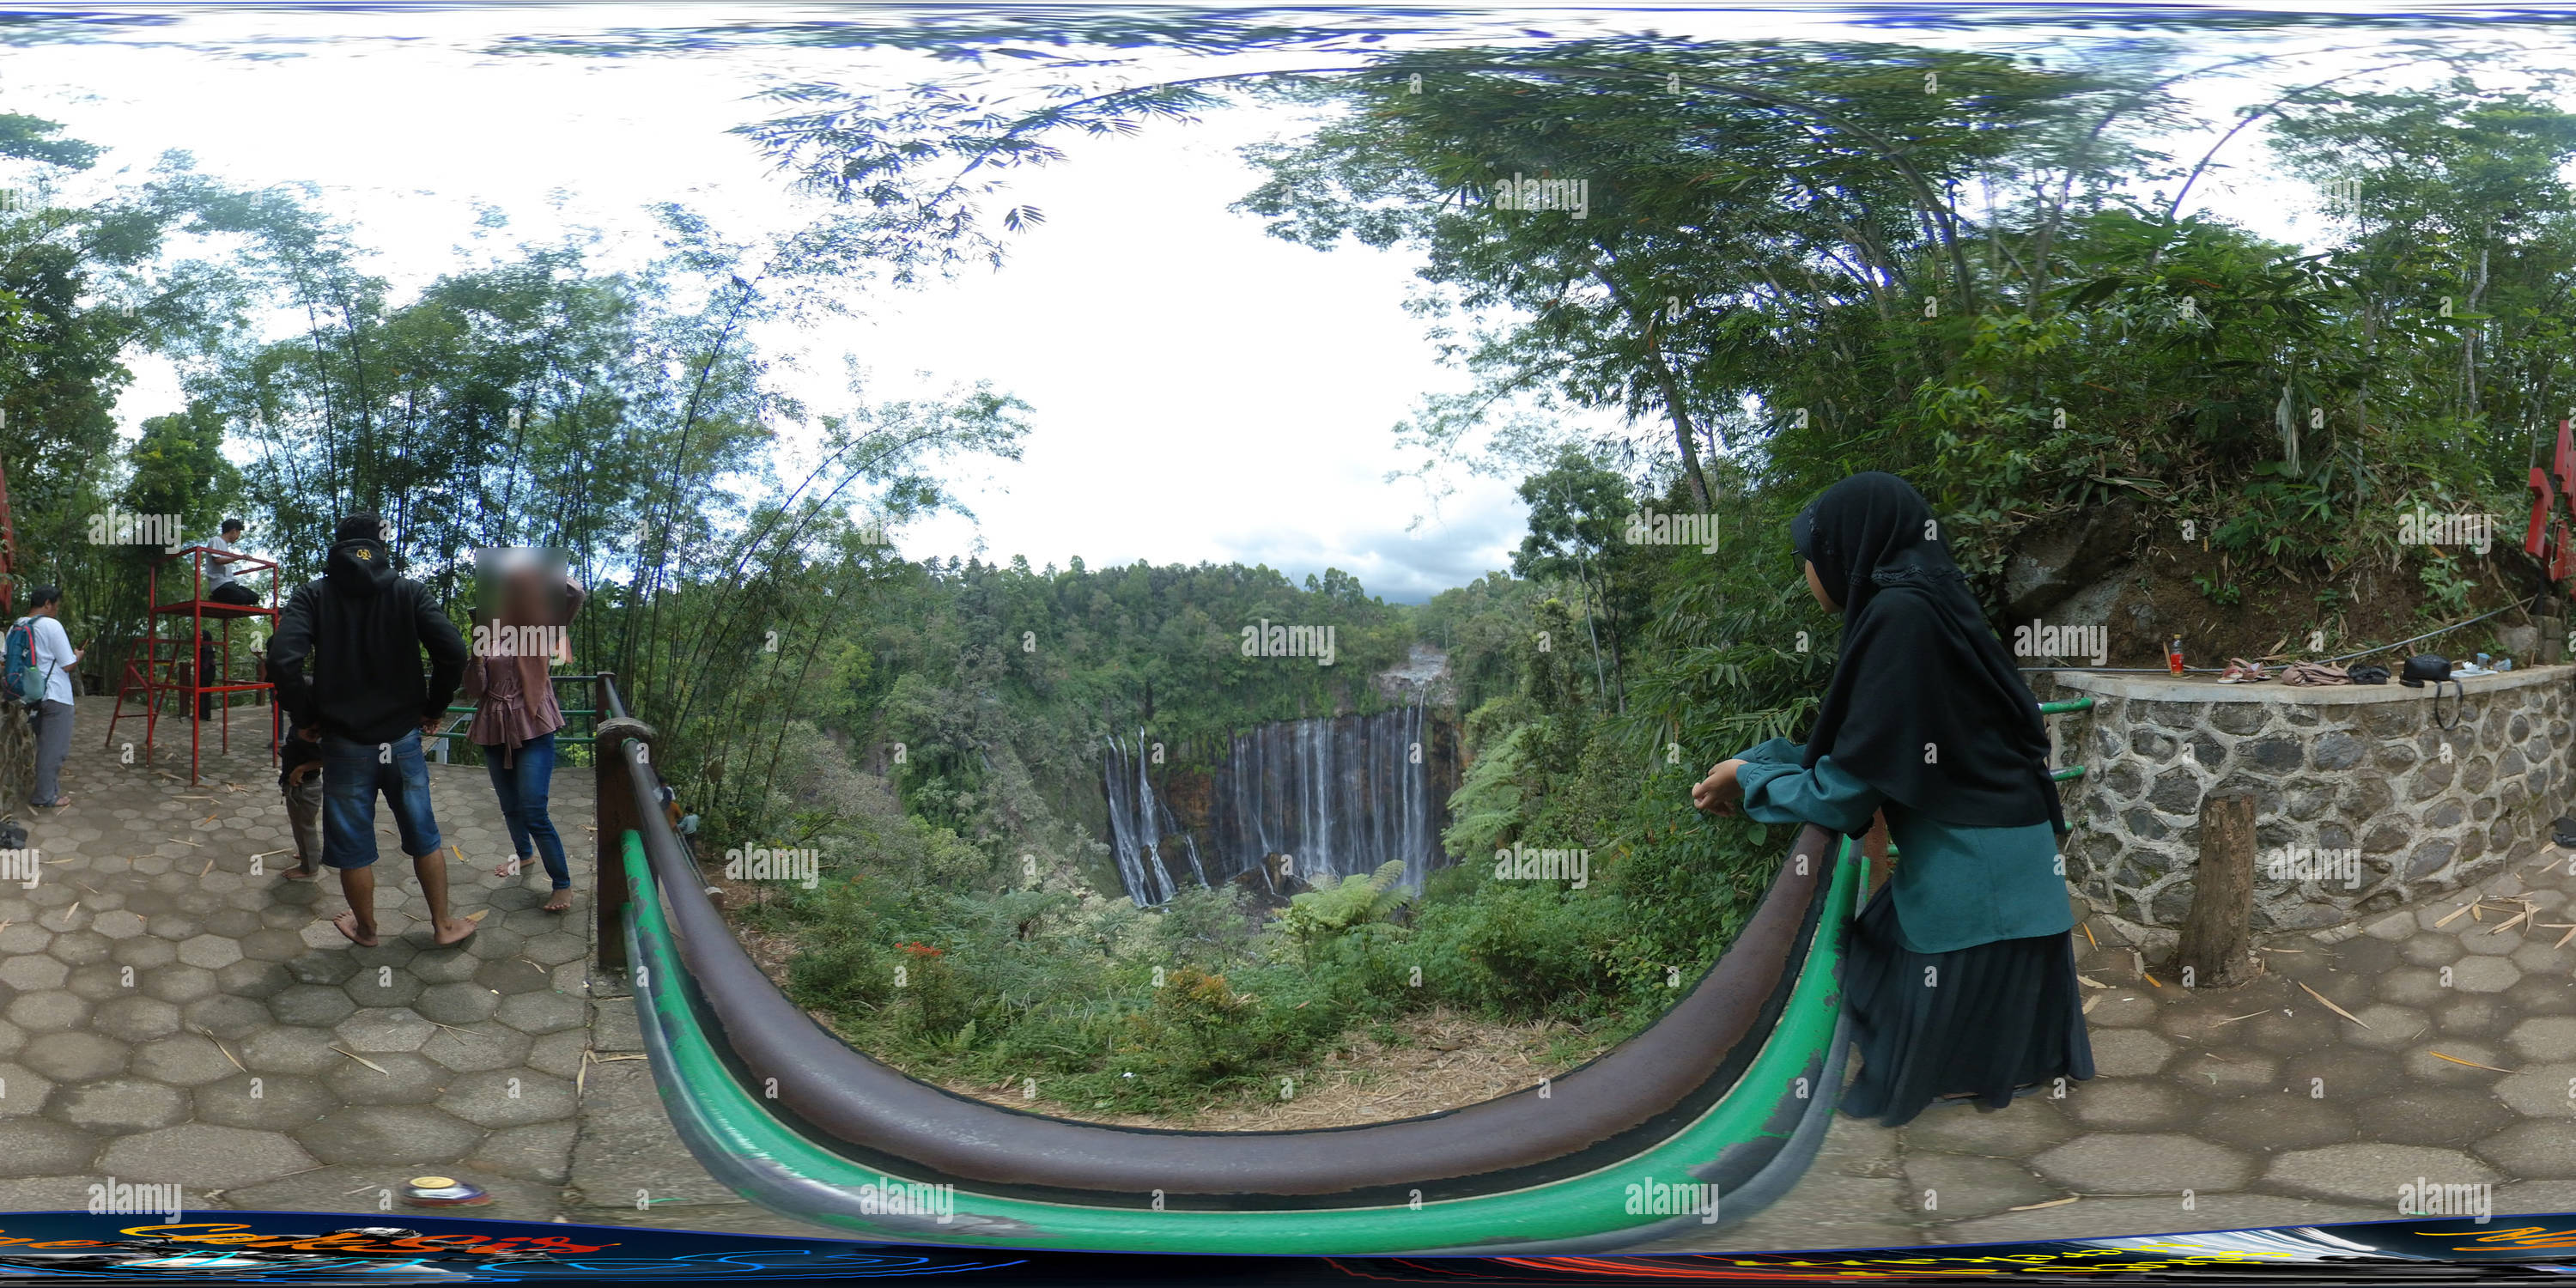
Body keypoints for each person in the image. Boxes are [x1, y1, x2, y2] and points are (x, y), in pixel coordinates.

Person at [1692, 471, 2092, 1126]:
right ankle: (1990, 1061)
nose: (1806, 573)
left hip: (1978, 877)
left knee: (1875, 978)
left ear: (1846, 548)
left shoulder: (1899, 617)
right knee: (1877, 949)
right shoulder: (1928, 601)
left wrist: (1748, 777)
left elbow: (1844, 794)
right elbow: (1873, 750)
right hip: (2014, 856)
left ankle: (1961, 1069)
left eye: (1808, 556)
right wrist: (1758, 761)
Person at [266, 513, 477, 948]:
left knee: (353, 845)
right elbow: (454, 651)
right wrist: (432, 707)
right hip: (402, 739)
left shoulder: (314, 595)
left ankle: (367, 930)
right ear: (382, 544)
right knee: (424, 833)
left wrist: (305, 719)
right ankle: (442, 926)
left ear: (337, 544)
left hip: (344, 744)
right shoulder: (409, 591)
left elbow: (283, 660)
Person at [463, 553, 585, 914]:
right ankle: (524, 855)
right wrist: (475, 656)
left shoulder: (540, 628)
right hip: (494, 726)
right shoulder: (486, 634)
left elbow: (575, 594)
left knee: (534, 809)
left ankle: (562, 883)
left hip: (534, 726)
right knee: (509, 805)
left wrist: (534, 571)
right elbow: (474, 689)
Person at [255, 647, 325, 880]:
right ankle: (308, 853)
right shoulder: (302, 719)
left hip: (306, 785)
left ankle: (309, 867)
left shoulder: (317, 727)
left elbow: (328, 757)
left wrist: (301, 769)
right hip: (295, 783)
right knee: (301, 826)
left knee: (304, 826)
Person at [21, 586, 80, 810]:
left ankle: (50, 790)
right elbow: (68, 664)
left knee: (45, 745)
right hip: (55, 695)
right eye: (56, 604)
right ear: (47, 603)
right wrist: (78, 655)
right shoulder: (51, 625)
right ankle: (45, 797)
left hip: (31, 695)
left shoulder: (18, 625)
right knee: (54, 750)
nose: (57, 609)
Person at [191, 518, 260, 607]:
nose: (238, 536)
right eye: (239, 533)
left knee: (254, 598)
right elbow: (217, 560)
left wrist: (236, 557)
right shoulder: (216, 540)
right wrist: (238, 557)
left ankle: (225, 599)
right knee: (242, 597)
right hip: (219, 584)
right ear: (234, 531)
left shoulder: (225, 545)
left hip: (230, 582)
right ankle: (216, 598)